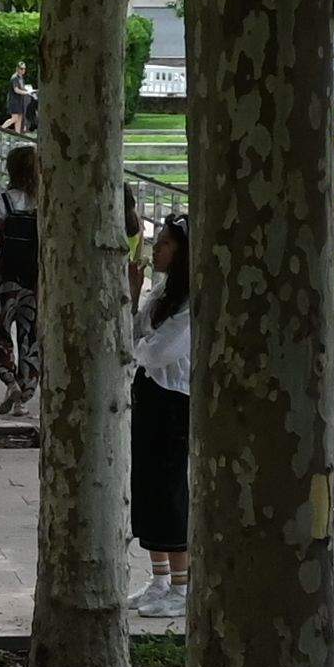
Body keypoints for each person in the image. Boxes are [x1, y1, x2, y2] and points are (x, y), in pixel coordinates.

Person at [130, 210, 195, 604]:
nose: (156, 249)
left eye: (165, 243)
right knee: (147, 484)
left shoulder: (190, 302)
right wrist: (134, 293)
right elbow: (137, 332)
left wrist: (140, 347)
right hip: (149, 394)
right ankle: (159, 578)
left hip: (174, 401)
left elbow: (158, 352)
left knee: (170, 487)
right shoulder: (162, 291)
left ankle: (183, 584)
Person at [0, 149, 43, 417]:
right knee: (30, 335)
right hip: (35, 282)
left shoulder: (6, 201)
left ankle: (10, 381)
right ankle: (25, 395)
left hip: (6, 279)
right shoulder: (43, 202)